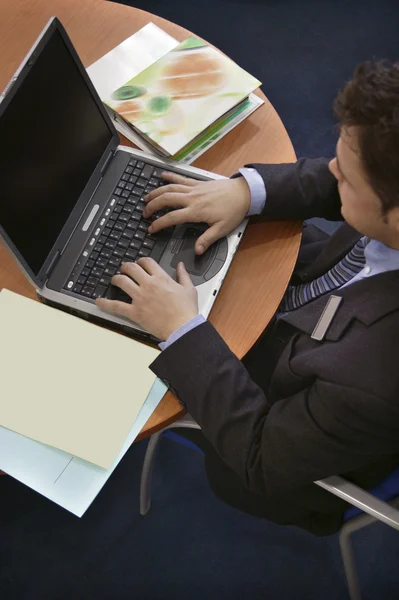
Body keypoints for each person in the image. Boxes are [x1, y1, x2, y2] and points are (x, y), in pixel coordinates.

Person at [97, 60, 399, 536]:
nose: (331, 169)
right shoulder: (383, 185)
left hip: (276, 411)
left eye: (348, 178)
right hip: (308, 302)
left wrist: (181, 332)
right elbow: (334, 178)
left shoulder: (377, 382)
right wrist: (246, 192)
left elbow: (258, 455)